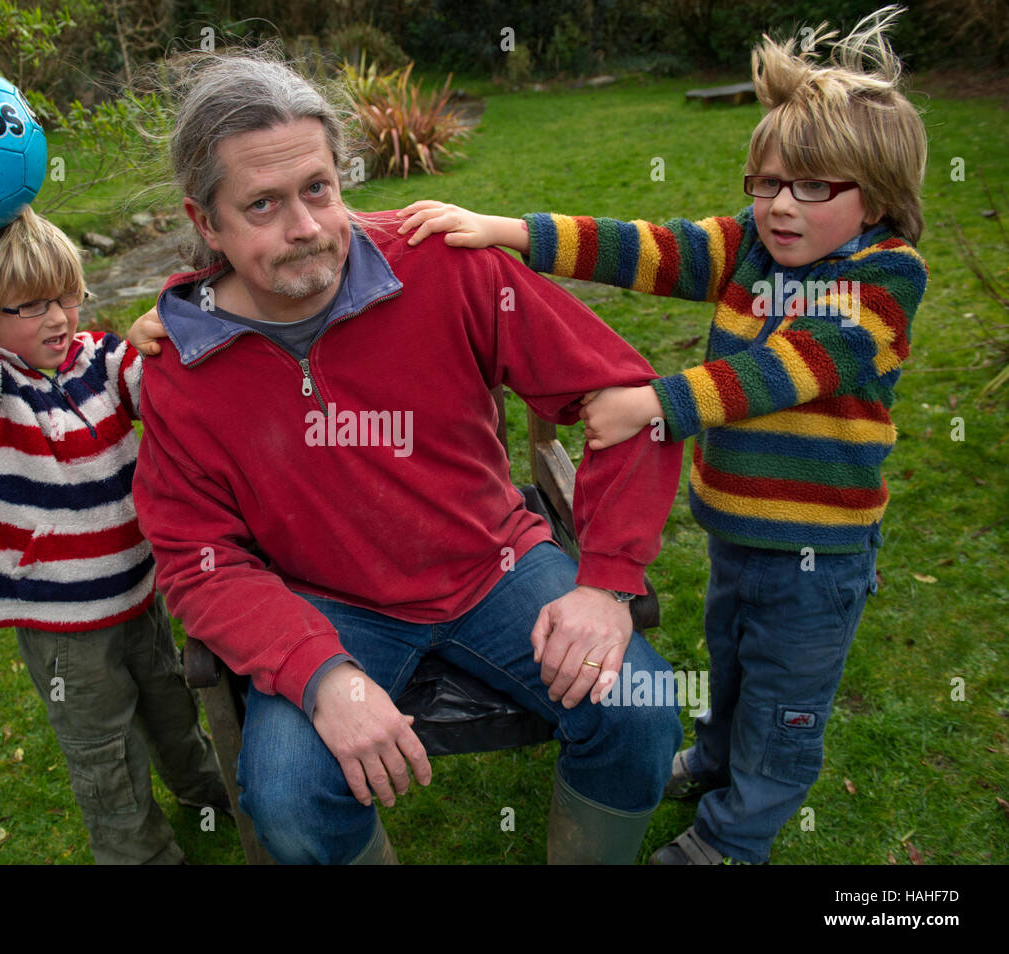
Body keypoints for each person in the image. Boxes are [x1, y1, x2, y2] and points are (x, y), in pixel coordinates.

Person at [397, 5, 928, 864]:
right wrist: (507, 232)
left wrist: (658, 402)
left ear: (879, 193)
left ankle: (731, 838)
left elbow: (792, 367)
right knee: (732, 670)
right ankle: (714, 759)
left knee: (786, 710)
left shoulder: (886, 280)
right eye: (765, 184)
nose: (778, 207)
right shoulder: (749, 249)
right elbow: (637, 246)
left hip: (819, 557)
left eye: (812, 187)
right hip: (737, 534)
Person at [127, 53, 686, 865]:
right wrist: (322, 676)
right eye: (263, 205)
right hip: (324, 605)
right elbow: (195, 557)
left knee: (642, 710)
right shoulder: (183, 366)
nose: (307, 227)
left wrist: (605, 582)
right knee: (285, 796)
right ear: (206, 222)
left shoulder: (447, 265)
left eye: (319, 187)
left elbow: (627, 404)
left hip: (496, 564)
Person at [0, 80, 227, 865]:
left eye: (64, 296)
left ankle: (212, 800)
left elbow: (161, 384)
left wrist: (167, 331)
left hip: (138, 597)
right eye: (30, 307)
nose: (58, 317)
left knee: (172, 712)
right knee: (108, 760)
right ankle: (142, 856)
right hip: (63, 633)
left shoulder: (97, 360)